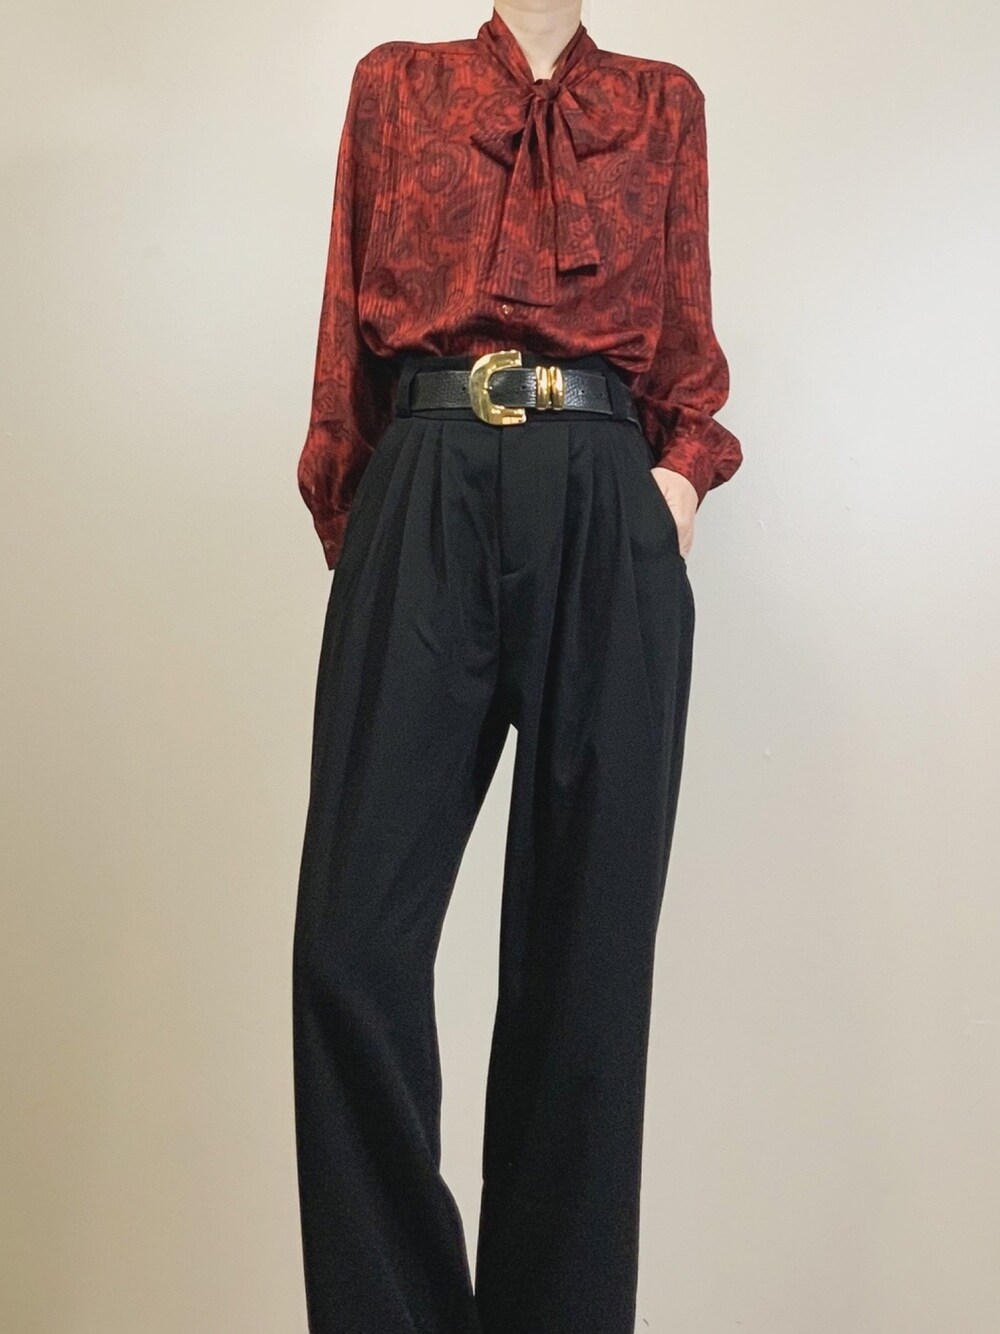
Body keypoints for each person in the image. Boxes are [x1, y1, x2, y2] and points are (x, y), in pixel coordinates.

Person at [291, 4, 742, 1332]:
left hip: (607, 496)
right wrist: (365, 523)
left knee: (585, 965)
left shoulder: (661, 102)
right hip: (423, 479)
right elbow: (342, 339)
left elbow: (689, 349)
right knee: (349, 948)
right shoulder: (396, 84)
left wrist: (675, 486)